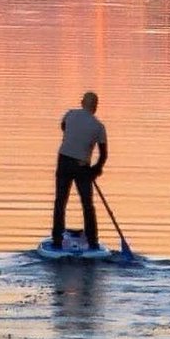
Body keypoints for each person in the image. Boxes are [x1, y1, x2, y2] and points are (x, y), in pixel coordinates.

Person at [51, 90, 108, 251]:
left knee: (60, 202)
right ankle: (93, 241)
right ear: (95, 107)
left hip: (64, 161)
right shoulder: (99, 127)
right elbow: (103, 155)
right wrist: (94, 171)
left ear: (83, 103)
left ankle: (57, 239)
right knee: (87, 204)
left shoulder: (70, 114)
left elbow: (64, 127)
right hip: (82, 166)